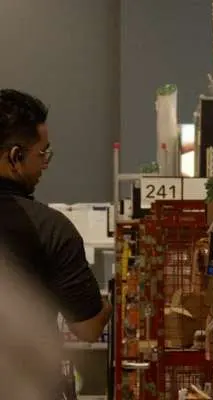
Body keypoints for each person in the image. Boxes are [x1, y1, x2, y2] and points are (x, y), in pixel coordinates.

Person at [0, 89, 112, 399]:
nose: (45, 165)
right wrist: (112, 303)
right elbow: (88, 329)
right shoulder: (49, 228)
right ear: (15, 157)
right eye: (43, 154)